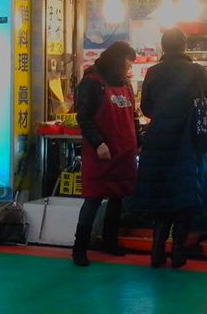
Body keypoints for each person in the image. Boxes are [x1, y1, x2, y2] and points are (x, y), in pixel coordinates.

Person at [135, 27, 207, 268]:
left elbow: (146, 108)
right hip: (186, 140)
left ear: (163, 47)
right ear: (184, 45)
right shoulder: (195, 70)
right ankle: (178, 252)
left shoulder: (153, 72)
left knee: (161, 198)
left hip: (158, 139)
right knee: (184, 196)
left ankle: (156, 252)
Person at [72, 41, 139, 267]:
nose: (128, 68)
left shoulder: (125, 84)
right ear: (116, 60)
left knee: (118, 198)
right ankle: (79, 248)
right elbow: (84, 118)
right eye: (127, 63)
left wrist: (138, 142)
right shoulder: (91, 82)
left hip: (124, 151)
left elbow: (133, 117)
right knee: (93, 199)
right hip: (101, 153)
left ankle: (110, 242)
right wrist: (98, 143)